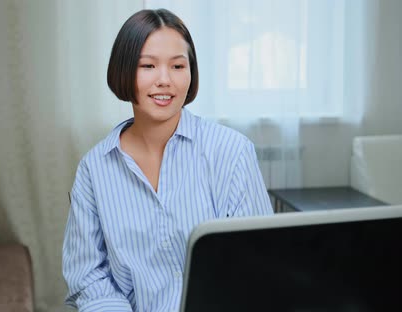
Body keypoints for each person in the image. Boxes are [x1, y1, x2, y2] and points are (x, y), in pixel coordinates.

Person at [62, 9, 273, 312]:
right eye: (147, 65)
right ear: (124, 71)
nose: (165, 80)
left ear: (191, 73)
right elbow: (88, 277)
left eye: (177, 66)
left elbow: (257, 262)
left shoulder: (232, 151)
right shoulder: (94, 170)